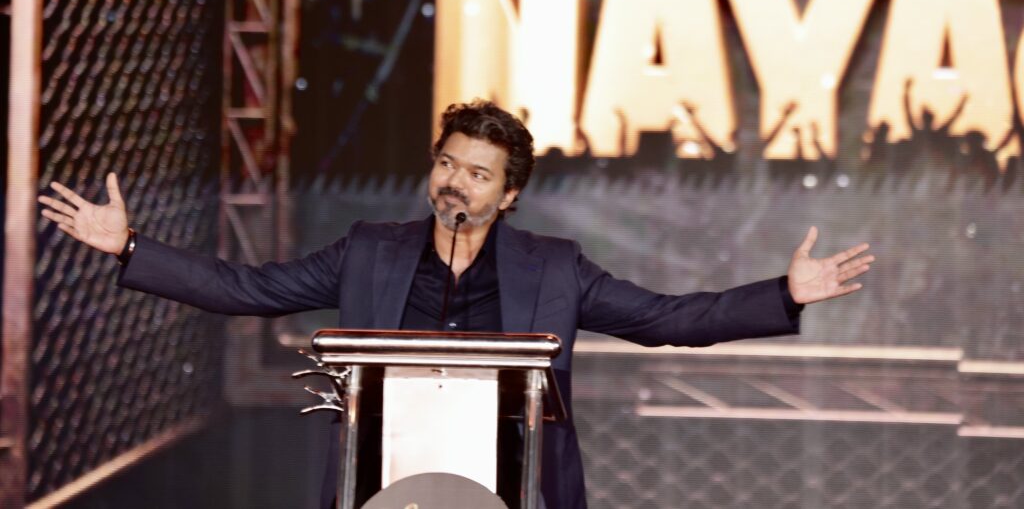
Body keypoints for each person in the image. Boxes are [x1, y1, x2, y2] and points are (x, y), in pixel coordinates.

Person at [39, 100, 874, 509]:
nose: (455, 181)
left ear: (508, 195)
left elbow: (664, 320)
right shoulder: (371, 249)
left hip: (514, 487)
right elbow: (248, 288)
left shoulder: (554, 267)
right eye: (447, 163)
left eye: (478, 173)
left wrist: (782, 294)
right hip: (385, 483)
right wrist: (131, 247)